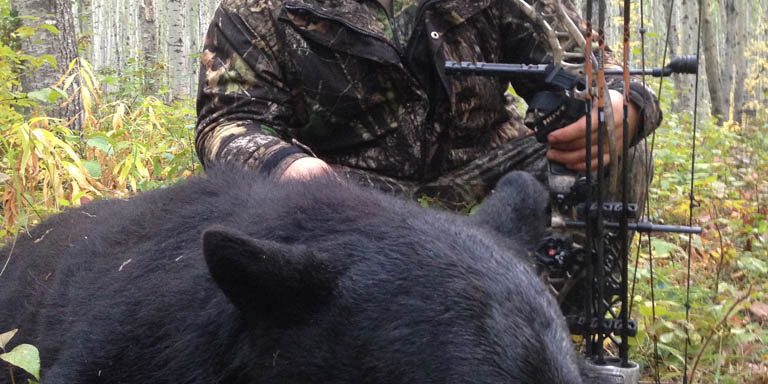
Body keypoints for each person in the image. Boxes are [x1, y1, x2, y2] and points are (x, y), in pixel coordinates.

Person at [195, 0, 660, 210]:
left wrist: (625, 109)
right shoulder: (260, 9)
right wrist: (291, 168)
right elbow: (227, 124)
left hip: (490, 180)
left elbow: (592, 66)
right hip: (352, 195)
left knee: (619, 153)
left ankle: (560, 327)